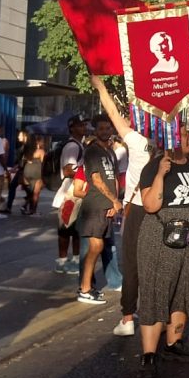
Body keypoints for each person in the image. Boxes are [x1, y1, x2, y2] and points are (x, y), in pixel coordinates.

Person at [136, 125, 189, 378]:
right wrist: (161, 174)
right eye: (184, 135)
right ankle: (149, 355)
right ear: (170, 138)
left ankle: (174, 343)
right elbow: (150, 205)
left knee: (183, 290)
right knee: (156, 290)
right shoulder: (154, 165)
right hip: (160, 236)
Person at [91, 75, 153, 337]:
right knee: (154, 264)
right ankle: (153, 311)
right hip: (160, 210)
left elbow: (112, 113)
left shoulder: (137, 141)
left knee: (132, 265)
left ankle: (128, 318)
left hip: (136, 209)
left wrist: (101, 87)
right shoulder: (167, 146)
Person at [76, 115, 121, 305]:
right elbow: (96, 180)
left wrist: (115, 202)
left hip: (107, 206)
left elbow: (115, 179)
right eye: (101, 128)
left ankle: (87, 288)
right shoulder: (92, 151)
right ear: (95, 131)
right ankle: (85, 289)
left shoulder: (110, 152)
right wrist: (113, 200)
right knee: (95, 247)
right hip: (94, 205)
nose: (105, 131)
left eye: (108, 128)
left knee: (99, 247)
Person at [53, 116, 87, 275]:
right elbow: (67, 170)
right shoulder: (73, 146)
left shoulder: (79, 145)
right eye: (80, 125)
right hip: (69, 194)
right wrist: (87, 174)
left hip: (76, 193)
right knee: (66, 230)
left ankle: (74, 260)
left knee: (76, 230)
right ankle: (61, 262)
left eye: (84, 125)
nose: (84, 127)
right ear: (72, 128)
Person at [20, 136, 47, 216]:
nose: (43, 143)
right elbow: (44, 163)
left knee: (30, 192)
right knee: (36, 193)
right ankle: (33, 211)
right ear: (37, 143)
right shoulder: (40, 151)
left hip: (27, 172)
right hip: (37, 173)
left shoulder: (26, 152)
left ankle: (25, 206)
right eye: (42, 141)